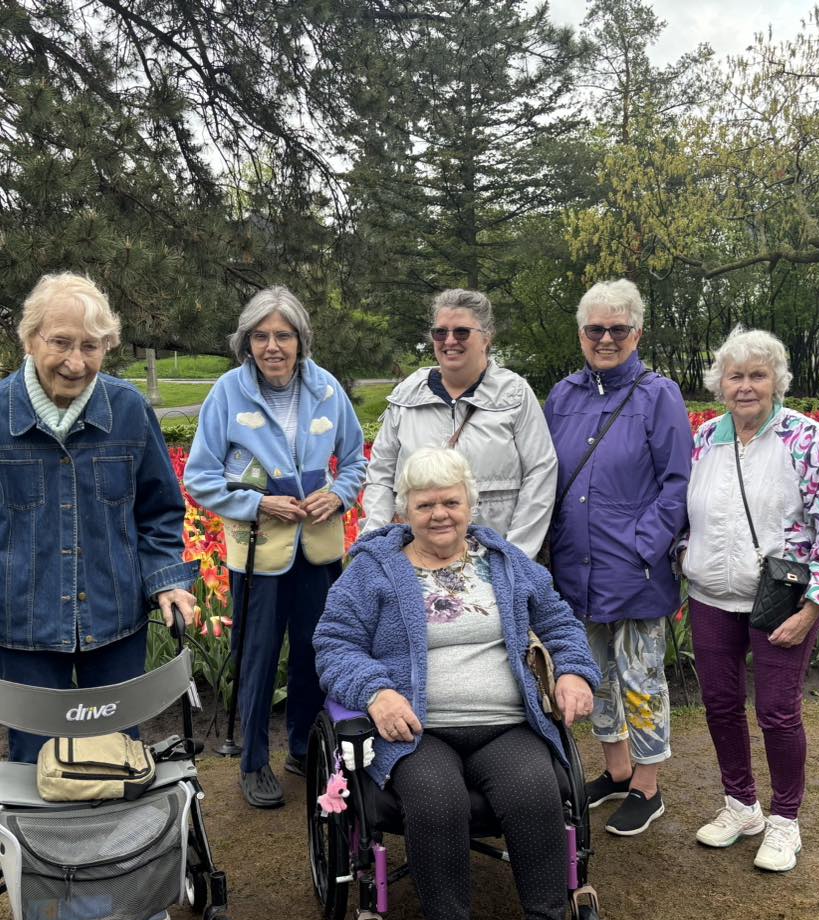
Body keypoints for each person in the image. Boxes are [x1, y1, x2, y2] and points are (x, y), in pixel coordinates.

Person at [314, 447, 602, 920]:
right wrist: (378, 692)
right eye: (426, 503)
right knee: (437, 803)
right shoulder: (372, 569)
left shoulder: (507, 562)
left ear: (471, 504)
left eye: (451, 501)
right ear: (404, 509)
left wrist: (574, 673)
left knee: (534, 792)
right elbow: (333, 644)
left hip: (504, 723)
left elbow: (560, 623)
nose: (440, 514)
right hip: (417, 733)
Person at [1, 272, 198, 920]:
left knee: (117, 758)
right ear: (29, 339)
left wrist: (171, 584)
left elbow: (159, 515)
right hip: (20, 631)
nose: (75, 362)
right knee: (31, 772)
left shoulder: (125, 411)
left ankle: (135, 883)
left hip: (114, 619)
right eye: (60, 342)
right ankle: (41, 915)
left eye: (91, 346)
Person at [184, 286, 365, 809]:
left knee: (316, 651)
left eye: (283, 335)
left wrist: (338, 493)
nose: (272, 346)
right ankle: (254, 761)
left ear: (300, 340)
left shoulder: (328, 389)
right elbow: (200, 477)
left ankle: (305, 748)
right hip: (259, 552)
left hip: (318, 550)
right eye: (261, 336)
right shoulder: (227, 393)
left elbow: (354, 461)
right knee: (257, 658)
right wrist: (258, 504)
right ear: (247, 343)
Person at [682, 327, 819, 871]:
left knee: (778, 713)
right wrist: (687, 561)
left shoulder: (809, 440)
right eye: (736, 376)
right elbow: (687, 515)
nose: (747, 386)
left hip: (782, 599)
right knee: (721, 707)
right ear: (720, 384)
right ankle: (740, 806)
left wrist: (814, 608)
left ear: (777, 381)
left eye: (759, 375)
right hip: (711, 596)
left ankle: (784, 820)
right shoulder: (705, 440)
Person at [543, 279, 692, 837]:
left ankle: (647, 787)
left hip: (634, 567)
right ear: (581, 334)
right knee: (594, 675)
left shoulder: (660, 395)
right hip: (575, 565)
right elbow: (548, 475)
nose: (606, 338)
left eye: (618, 329)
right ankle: (615, 769)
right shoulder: (562, 396)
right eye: (595, 329)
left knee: (641, 678)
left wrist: (641, 545)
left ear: (637, 332)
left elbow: (677, 483)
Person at [362, 288, 556, 558]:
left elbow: (541, 473)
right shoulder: (406, 397)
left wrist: (517, 555)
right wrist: (377, 543)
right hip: (416, 561)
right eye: (440, 332)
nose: (449, 341)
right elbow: (380, 476)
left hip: (494, 558)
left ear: (486, 338)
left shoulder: (515, 395)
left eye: (461, 332)